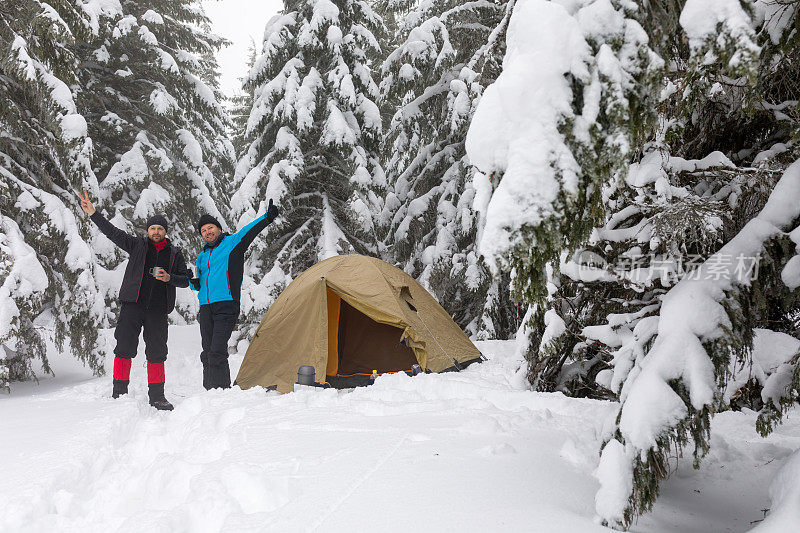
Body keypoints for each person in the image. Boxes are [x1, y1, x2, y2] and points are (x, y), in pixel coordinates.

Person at [77, 190, 190, 410]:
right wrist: (93, 214)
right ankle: (119, 393)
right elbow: (112, 232)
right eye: (152, 228)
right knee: (124, 347)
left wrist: (169, 277)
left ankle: (157, 396)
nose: (155, 232)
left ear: (165, 232)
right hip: (132, 305)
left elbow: (185, 280)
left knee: (157, 351)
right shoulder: (137, 245)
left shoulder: (175, 253)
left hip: (157, 310)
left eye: (159, 229)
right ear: (147, 230)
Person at [192, 199, 279, 389]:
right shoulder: (201, 256)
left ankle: (221, 392)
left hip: (226, 304)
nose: (208, 232)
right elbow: (198, 284)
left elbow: (249, 230)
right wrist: (193, 282)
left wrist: (267, 218)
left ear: (218, 228)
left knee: (217, 351)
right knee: (207, 352)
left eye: (210, 228)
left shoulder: (232, 243)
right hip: (206, 308)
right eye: (204, 231)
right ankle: (209, 392)